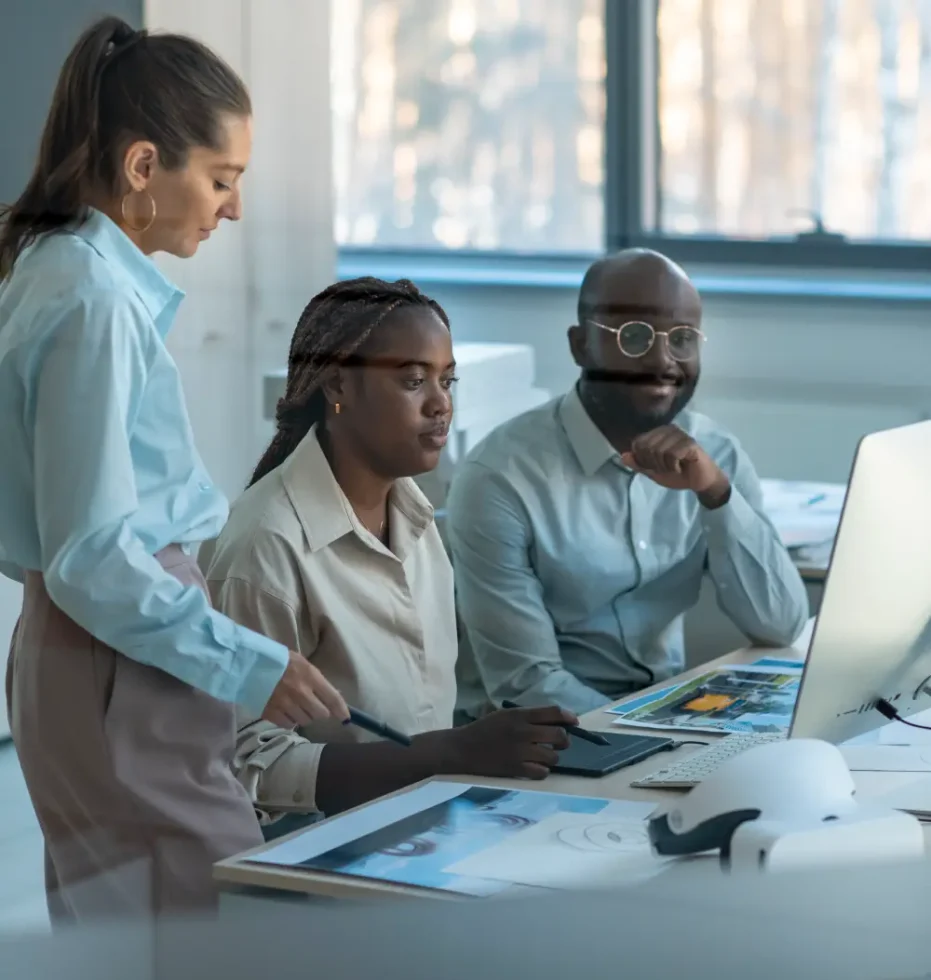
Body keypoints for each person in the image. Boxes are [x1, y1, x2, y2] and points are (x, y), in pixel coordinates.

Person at [0, 16, 349, 922]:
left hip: (81, 647)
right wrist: (245, 660)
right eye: (222, 179)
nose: (233, 207)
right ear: (145, 167)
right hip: (120, 655)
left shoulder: (51, 267)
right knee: (226, 937)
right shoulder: (93, 300)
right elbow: (94, 556)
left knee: (122, 945)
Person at [202, 276, 576, 827]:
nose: (440, 405)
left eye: (447, 382)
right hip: (322, 852)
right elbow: (238, 763)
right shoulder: (266, 545)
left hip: (428, 821)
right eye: (413, 381)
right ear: (338, 386)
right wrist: (447, 754)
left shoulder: (417, 518)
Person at [446, 249, 809, 718]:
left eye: (682, 339)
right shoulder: (499, 478)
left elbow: (780, 625)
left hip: (663, 712)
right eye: (634, 336)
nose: (663, 361)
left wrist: (717, 494)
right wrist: (661, 732)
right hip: (538, 743)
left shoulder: (715, 454)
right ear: (580, 346)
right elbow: (527, 684)